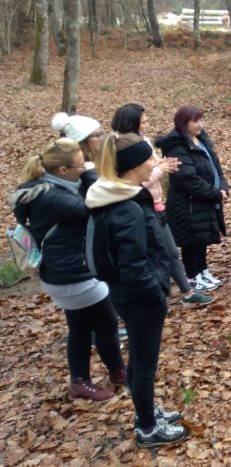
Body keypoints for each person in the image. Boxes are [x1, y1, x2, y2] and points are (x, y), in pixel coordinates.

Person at [85, 133, 188, 448]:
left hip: (128, 296)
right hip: (140, 300)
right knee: (144, 364)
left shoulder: (116, 197)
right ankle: (146, 427)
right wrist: (157, 293)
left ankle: (146, 411)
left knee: (140, 362)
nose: (154, 163)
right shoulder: (126, 208)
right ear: (133, 166)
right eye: (149, 159)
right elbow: (134, 265)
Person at [10, 138, 125, 402]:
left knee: (81, 327)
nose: (82, 168)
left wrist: (83, 171)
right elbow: (93, 203)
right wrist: (91, 172)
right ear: (62, 171)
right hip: (72, 275)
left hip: (65, 272)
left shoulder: (49, 188)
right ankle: (116, 373)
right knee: (106, 323)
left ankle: (81, 381)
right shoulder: (52, 197)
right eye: (78, 166)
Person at [111, 103, 214, 304]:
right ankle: (155, 298)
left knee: (172, 253)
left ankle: (187, 293)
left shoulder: (143, 140)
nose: (147, 124)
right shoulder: (123, 146)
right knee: (155, 255)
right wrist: (161, 169)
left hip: (156, 204)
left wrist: (163, 165)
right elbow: (134, 182)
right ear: (132, 123)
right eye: (144, 121)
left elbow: (153, 166)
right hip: (140, 207)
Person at [155, 106, 229, 296]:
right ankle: (192, 276)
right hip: (187, 204)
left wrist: (222, 186)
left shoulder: (201, 140)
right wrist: (214, 193)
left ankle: (203, 271)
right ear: (183, 124)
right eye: (195, 121)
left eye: (201, 120)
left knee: (201, 238)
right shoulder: (177, 147)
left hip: (204, 200)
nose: (200, 124)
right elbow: (188, 179)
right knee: (191, 240)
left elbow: (215, 166)